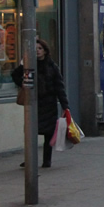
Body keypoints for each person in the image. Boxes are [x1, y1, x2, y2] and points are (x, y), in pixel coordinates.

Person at [12, 38, 69, 168]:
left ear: (45, 51)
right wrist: (22, 71)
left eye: (40, 49)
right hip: (33, 103)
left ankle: (47, 160)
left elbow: (59, 87)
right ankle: (30, 159)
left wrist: (65, 106)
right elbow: (15, 75)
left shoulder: (52, 66)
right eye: (35, 49)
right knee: (30, 132)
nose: (37, 51)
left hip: (48, 103)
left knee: (48, 134)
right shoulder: (28, 65)